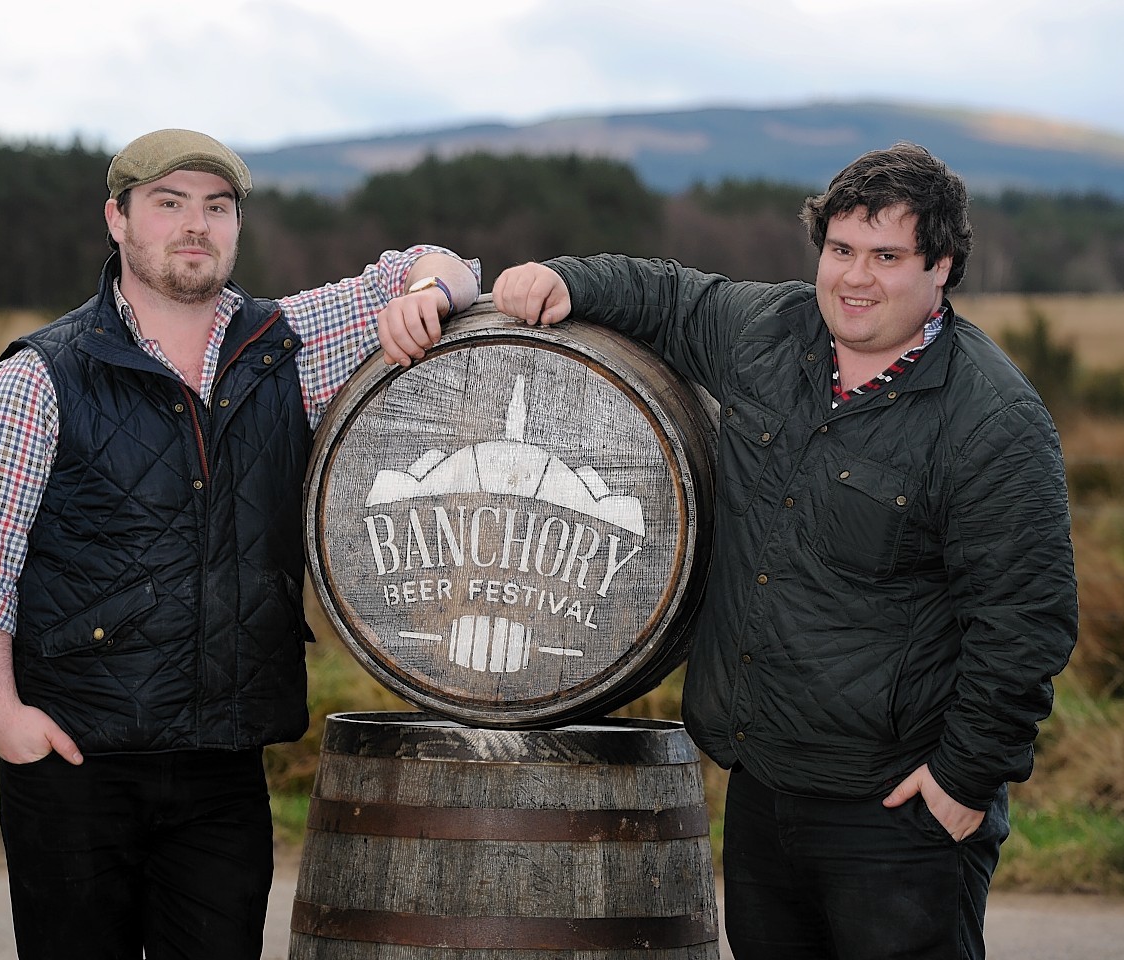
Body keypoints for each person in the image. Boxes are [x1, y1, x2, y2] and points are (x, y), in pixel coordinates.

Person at [382, 142, 1077, 960]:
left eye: (887, 257)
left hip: (895, 807)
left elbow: (1026, 619)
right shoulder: (770, 333)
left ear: (941, 268)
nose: (855, 277)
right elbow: (670, 297)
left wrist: (965, 780)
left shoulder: (991, 418)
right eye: (842, 250)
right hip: (763, 786)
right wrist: (567, 278)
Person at [0, 128, 479, 960]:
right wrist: (3, 718)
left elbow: (436, 257)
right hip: (76, 758)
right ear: (116, 220)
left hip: (222, 766)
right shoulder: (40, 374)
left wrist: (429, 291)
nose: (197, 225)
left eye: (217, 208)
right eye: (169, 204)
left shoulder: (284, 345)